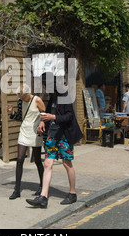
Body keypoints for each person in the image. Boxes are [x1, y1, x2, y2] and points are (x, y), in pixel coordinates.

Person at [26, 73, 83, 209]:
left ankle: (72, 193)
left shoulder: (64, 96)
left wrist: (53, 117)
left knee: (67, 163)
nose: (44, 88)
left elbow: (69, 116)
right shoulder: (53, 97)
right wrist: (42, 122)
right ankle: (43, 197)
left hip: (64, 136)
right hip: (52, 134)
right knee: (47, 164)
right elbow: (48, 113)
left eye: (45, 85)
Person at [7, 84, 46, 200]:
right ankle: (17, 190)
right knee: (19, 159)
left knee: (38, 160)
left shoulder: (37, 100)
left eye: (23, 97)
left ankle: (42, 186)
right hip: (24, 131)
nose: (22, 99)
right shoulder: (20, 101)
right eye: (20, 97)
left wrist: (42, 123)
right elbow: (20, 116)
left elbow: (44, 114)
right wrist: (12, 112)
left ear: (28, 93)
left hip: (35, 132)